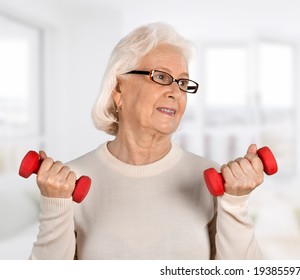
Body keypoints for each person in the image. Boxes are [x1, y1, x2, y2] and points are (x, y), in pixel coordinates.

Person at [30, 22, 264, 260]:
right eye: (161, 77)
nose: (175, 92)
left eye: (182, 83)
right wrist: (55, 204)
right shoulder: (69, 182)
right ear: (119, 89)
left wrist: (234, 203)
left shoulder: (209, 175)